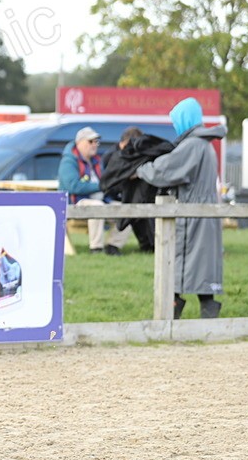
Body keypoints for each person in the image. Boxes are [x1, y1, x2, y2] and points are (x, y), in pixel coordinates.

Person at [136, 97, 227, 319]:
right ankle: (207, 312)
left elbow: (166, 170)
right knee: (201, 266)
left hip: (191, 213)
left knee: (180, 263)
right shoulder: (204, 144)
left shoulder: (192, 145)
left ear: (184, 120)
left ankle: (171, 313)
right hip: (206, 212)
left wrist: (142, 169)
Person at [100, 126, 173, 253]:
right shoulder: (114, 156)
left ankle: (148, 245)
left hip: (138, 195)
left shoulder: (143, 155)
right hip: (114, 197)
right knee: (129, 211)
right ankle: (114, 246)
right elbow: (109, 181)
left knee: (137, 209)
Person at [59, 126, 130, 255]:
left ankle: (113, 246)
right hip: (75, 203)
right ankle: (96, 248)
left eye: (96, 142)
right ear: (79, 142)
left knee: (127, 210)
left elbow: (105, 182)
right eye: (90, 141)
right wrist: (101, 186)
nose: (95, 145)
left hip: (101, 199)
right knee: (98, 207)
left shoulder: (96, 161)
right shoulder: (68, 161)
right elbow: (73, 186)